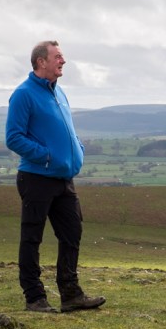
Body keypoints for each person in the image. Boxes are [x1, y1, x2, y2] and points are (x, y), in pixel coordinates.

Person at [6, 40, 106, 313]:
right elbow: (13, 138)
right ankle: (34, 298)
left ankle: (71, 294)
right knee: (32, 238)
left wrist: (78, 150)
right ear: (41, 62)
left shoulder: (58, 92)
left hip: (63, 179)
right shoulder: (23, 94)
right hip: (36, 177)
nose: (64, 61)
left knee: (72, 232)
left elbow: (66, 130)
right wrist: (47, 156)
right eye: (58, 57)